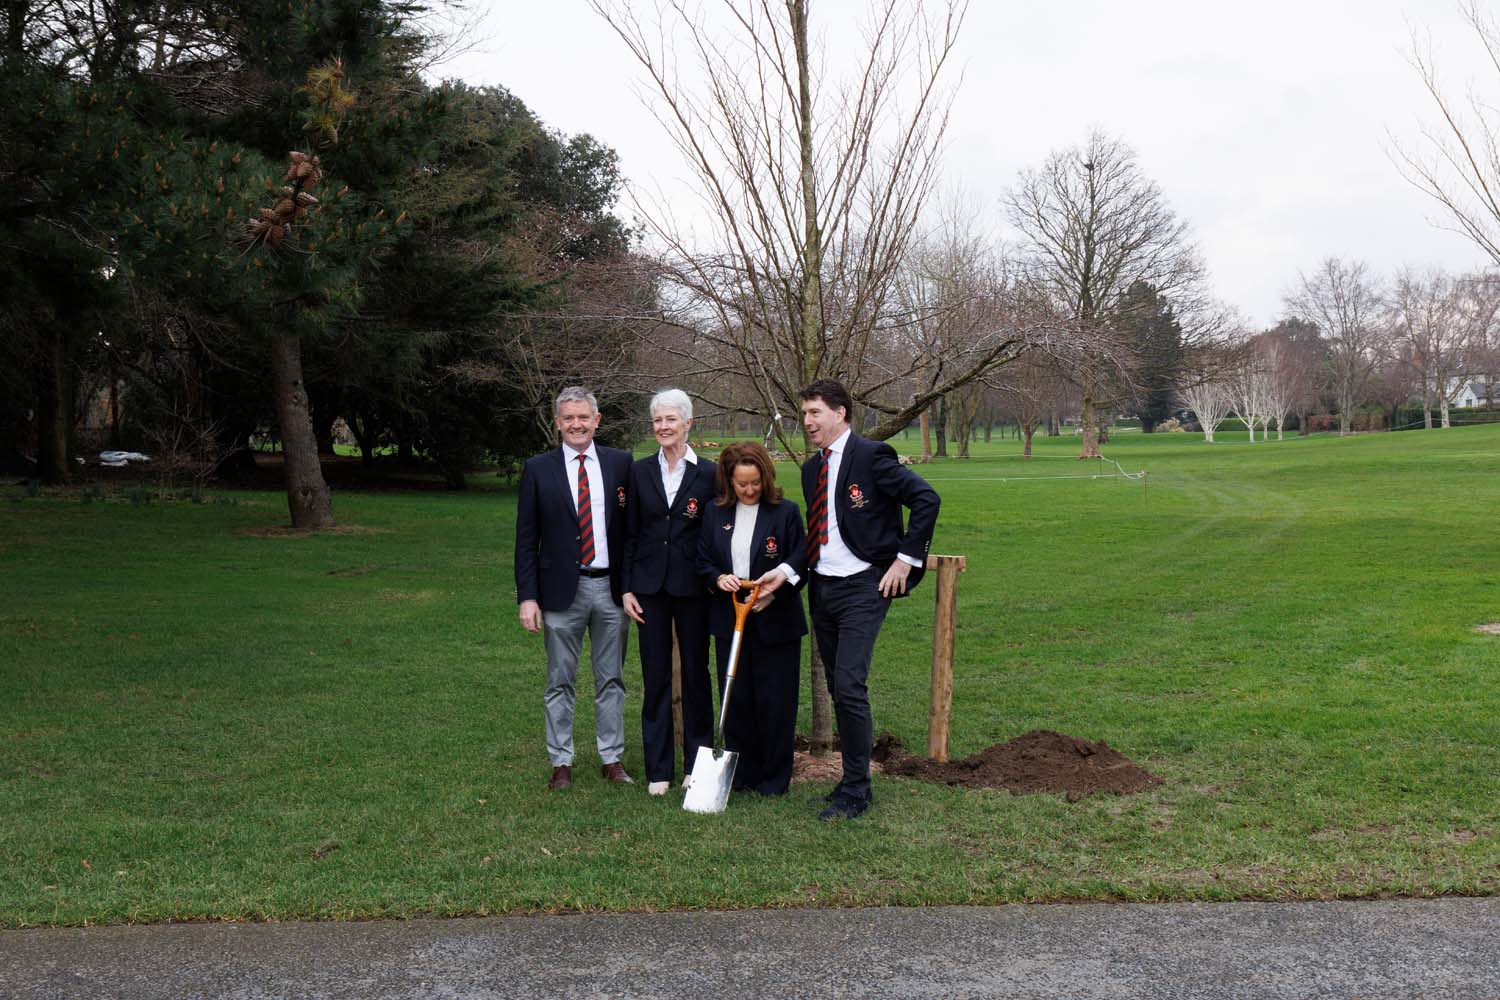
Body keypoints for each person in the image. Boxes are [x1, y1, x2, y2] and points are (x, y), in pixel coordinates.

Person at [797, 378, 939, 820]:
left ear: (840, 413)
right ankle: (849, 779)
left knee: (849, 685)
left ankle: (857, 791)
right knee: (838, 688)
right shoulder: (811, 469)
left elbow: (926, 499)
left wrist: (905, 560)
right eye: (804, 414)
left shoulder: (872, 456)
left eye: (815, 413)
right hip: (822, 586)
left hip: (864, 586)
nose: (807, 422)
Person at [514, 386, 634, 791]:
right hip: (560, 592)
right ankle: (561, 762)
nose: (576, 424)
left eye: (583, 417)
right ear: (557, 422)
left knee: (611, 679)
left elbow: (632, 531)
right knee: (559, 680)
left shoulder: (620, 464)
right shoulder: (538, 469)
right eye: (568, 418)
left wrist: (632, 585)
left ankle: (611, 758)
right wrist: (528, 597)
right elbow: (526, 539)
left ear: (597, 420)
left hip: (611, 590)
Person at [696, 442, 808, 797]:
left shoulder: (786, 513)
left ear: (766, 479)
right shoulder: (715, 513)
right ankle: (741, 773)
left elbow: (802, 561)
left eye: (755, 483)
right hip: (731, 619)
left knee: (776, 701)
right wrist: (718, 578)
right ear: (729, 481)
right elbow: (702, 559)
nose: (749, 490)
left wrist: (775, 593)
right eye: (741, 484)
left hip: (777, 621)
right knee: (738, 699)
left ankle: (774, 779)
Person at [621, 389, 718, 797]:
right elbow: (629, 533)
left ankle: (696, 767)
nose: (663, 427)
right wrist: (626, 587)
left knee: (696, 676)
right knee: (655, 676)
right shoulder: (639, 471)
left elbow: (716, 533)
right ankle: (658, 770)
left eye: (670, 420)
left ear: (688, 423)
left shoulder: (710, 474)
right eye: (657, 420)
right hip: (648, 589)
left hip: (694, 588)